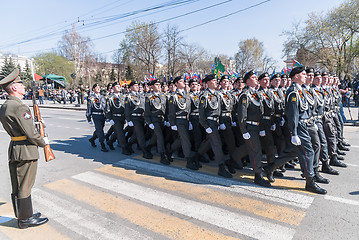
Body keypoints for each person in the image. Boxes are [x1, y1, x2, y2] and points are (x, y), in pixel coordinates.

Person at [0, 69, 49, 228]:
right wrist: (44, 143)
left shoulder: (6, 105)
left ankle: (22, 215)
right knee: (25, 186)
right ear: (14, 88)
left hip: (15, 148)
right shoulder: (20, 107)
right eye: (20, 84)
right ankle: (25, 219)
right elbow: (30, 133)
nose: (23, 86)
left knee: (18, 185)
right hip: (26, 151)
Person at [86, 83, 109, 152]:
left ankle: (92, 139)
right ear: (93, 89)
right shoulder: (91, 98)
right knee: (100, 131)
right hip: (96, 116)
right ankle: (102, 145)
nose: (98, 88)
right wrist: (89, 118)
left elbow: (105, 107)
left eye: (99, 87)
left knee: (99, 129)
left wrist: (107, 116)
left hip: (102, 115)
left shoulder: (102, 97)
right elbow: (89, 108)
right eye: (96, 87)